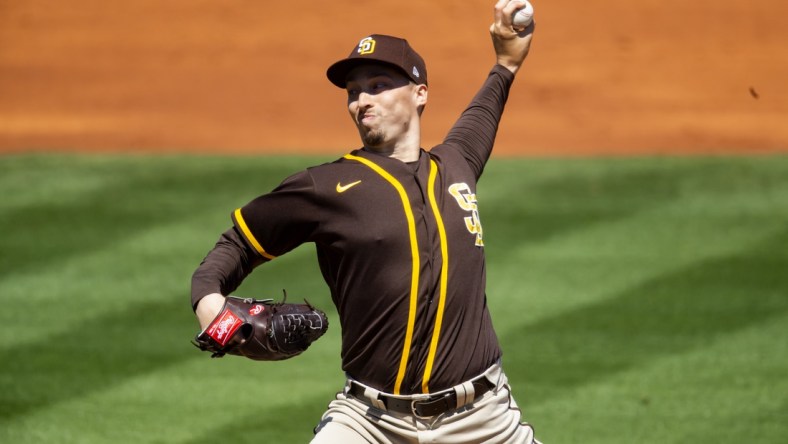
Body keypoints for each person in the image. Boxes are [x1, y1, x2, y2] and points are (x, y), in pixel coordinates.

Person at [191, 1, 539, 442]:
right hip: (370, 422)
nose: (362, 100)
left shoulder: (456, 166)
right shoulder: (325, 187)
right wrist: (210, 306)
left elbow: (482, 115)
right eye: (354, 91)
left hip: (484, 420)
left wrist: (506, 62)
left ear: (420, 93)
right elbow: (237, 244)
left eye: (378, 85)